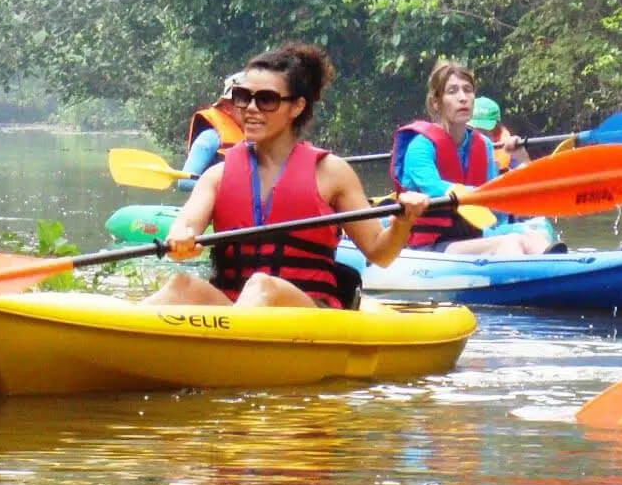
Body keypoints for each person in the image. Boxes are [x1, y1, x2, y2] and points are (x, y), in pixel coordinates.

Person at [144, 43, 426, 309]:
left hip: (306, 311)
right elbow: (185, 226)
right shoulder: (216, 176)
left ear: (297, 106)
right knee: (181, 285)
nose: (251, 109)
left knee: (263, 286)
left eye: (266, 99)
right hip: (234, 310)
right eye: (243, 98)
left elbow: (380, 253)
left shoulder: (331, 172)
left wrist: (403, 223)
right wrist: (181, 238)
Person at [390, 60, 557, 255]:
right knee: (509, 244)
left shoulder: (483, 145)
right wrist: (480, 193)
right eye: (452, 91)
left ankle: (562, 275)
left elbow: (494, 207)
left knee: (534, 237)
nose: (463, 98)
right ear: (436, 102)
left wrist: (518, 184)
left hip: (472, 237)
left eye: (468, 90)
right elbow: (434, 188)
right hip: (429, 247)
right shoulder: (420, 147)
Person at [177, 72, 246, 192]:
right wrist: (233, 190)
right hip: (213, 207)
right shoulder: (210, 137)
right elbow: (185, 182)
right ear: (227, 106)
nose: (250, 107)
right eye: (242, 100)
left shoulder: (261, 138)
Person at [471, 96, 531, 172]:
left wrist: (522, 157)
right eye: (472, 129)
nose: (479, 135)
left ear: (497, 127)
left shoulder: (508, 149)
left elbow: (528, 176)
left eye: (485, 131)